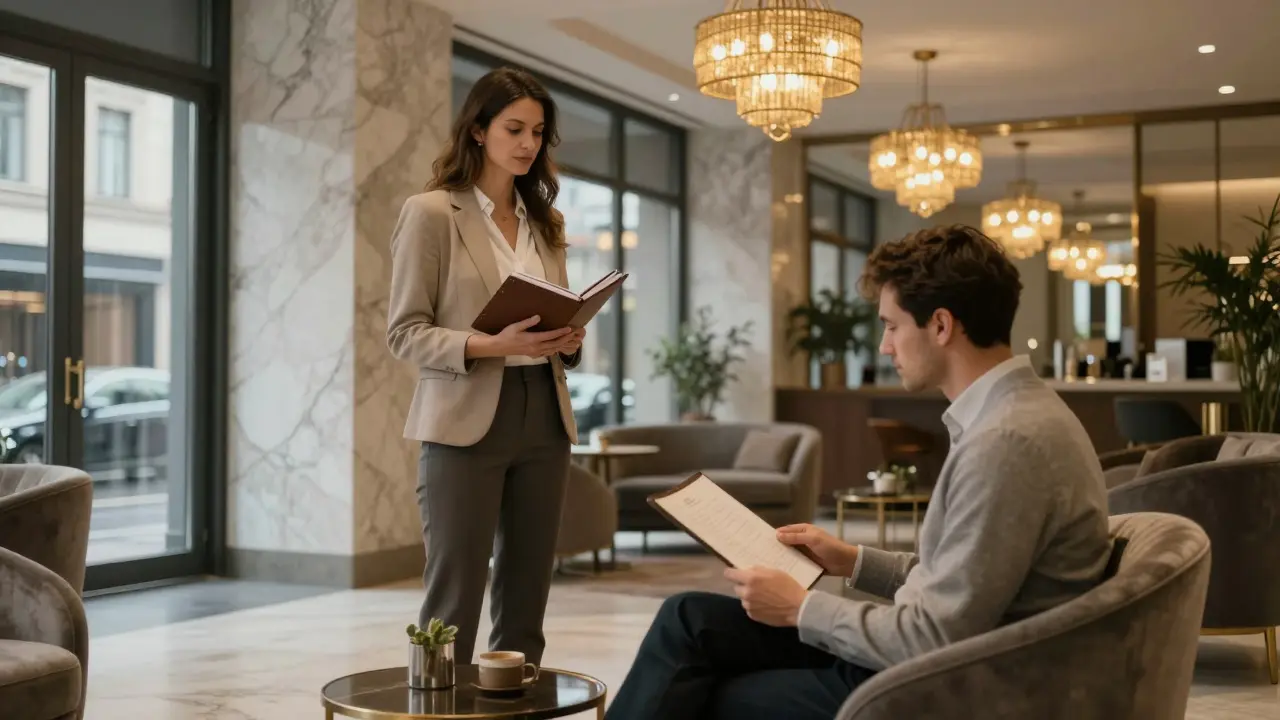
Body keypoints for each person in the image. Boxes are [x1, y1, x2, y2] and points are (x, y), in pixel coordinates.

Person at [605, 225, 1115, 720]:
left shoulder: (1005, 443)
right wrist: (851, 560)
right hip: (937, 653)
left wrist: (801, 608)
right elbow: (961, 584)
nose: (884, 347)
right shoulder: (1011, 417)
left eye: (892, 326)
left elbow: (936, 636)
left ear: (940, 326)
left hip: (945, 682)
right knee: (688, 619)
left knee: (713, 691)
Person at [385, 66, 586, 666]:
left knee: (528, 589)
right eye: (515, 128)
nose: (528, 144)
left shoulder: (545, 224)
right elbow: (404, 333)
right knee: (456, 588)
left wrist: (569, 339)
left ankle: (512, 702)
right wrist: (491, 345)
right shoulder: (431, 214)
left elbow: (560, 322)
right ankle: (438, 704)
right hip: (465, 419)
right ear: (477, 130)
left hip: (545, 417)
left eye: (538, 133)